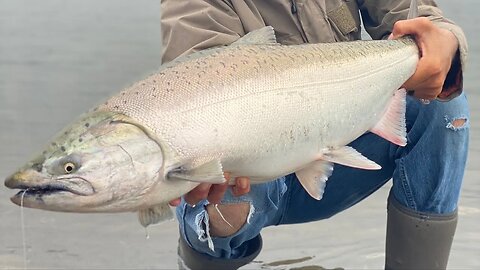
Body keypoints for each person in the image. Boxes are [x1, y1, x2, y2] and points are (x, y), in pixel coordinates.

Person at [161, 0, 469, 269]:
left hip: (337, 149)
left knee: (442, 108)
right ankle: (200, 258)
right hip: (249, 173)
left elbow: (418, 17)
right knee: (215, 195)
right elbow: (199, 78)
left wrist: (446, 44)